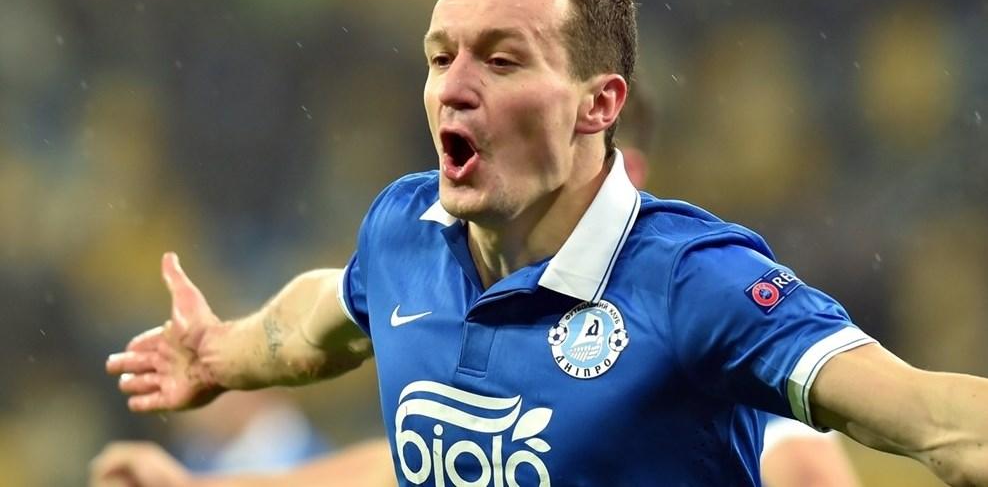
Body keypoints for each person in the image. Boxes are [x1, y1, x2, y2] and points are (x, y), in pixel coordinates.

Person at [102, 0, 988, 485]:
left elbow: (937, 424)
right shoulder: (405, 232)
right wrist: (223, 353)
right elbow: (322, 320)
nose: (454, 87)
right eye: (440, 57)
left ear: (598, 105)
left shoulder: (692, 284)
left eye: (501, 60)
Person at [90, 83, 861, 487]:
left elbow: (808, 459)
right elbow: (393, 469)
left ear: (623, 174)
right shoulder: (469, 323)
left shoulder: (701, 339)